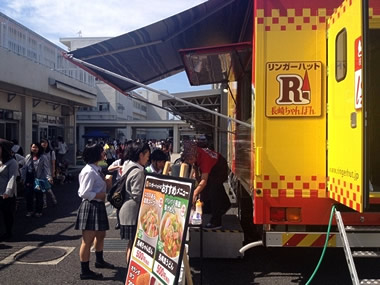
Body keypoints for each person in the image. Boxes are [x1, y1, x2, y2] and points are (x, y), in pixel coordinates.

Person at [74, 143, 114, 280]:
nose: (105, 154)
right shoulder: (88, 171)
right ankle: (84, 270)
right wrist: (100, 195)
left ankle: (99, 260)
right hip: (91, 205)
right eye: (102, 152)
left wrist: (107, 184)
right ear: (95, 154)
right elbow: (83, 193)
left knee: (101, 235)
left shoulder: (97, 169)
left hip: (98, 205)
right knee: (87, 240)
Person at [183, 140, 231, 230]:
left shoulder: (205, 159)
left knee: (214, 189)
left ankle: (216, 221)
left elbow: (204, 181)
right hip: (212, 167)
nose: (189, 161)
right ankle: (222, 206)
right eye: (187, 159)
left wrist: (195, 193)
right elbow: (196, 166)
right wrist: (197, 180)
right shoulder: (195, 151)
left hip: (220, 167)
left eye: (190, 159)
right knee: (206, 190)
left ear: (195, 155)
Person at [120, 141, 150, 264]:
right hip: (132, 213)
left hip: (126, 211)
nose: (148, 158)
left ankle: (130, 270)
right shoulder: (138, 172)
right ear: (140, 155)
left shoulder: (128, 165)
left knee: (131, 243)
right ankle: (130, 271)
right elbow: (138, 195)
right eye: (147, 155)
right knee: (134, 244)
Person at [21, 142, 52, 218]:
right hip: (29, 179)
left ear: (39, 148)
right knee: (29, 196)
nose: (34, 149)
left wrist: (49, 177)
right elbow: (24, 168)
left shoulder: (43, 157)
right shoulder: (28, 157)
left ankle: (39, 211)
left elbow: (46, 168)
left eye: (36, 147)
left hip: (39, 179)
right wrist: (23, 178)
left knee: (39, 196)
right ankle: (29, 211)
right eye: (33, 147)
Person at [0, 139, 19, 241]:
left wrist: (7, 192)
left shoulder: (12, 162)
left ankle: (8, 232)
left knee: (7, 214)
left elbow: (12, 178)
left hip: (6, 194)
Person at [40, 139, 57, 208]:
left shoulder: (51, 152)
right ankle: (44, 203)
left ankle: (53, 198)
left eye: (45, 143)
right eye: (42, 143)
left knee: (48, 188)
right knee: (42, 188)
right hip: (40, 172)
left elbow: (53, 163)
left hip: (48, 172)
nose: (44, 144)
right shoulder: (40, 152)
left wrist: (53, 172)